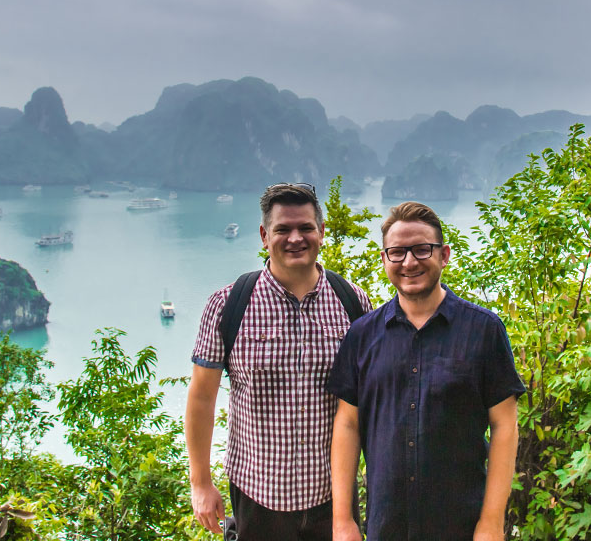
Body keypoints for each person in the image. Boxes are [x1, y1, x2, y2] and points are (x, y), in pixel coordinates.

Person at [328, 201, 526, 541]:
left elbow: (504, 425)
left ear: (444, 255)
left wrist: (491, 523)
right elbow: (347, 424)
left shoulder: (483, 330)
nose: (409, 262)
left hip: (460, 525)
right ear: (384, 259)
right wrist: (343, 520)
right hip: (385, 525)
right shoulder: (362, 335)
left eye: (422, 250)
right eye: (398, 252)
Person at [186, 182, 372, 541]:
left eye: (305, 228)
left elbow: (373, 395)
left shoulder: (352, 302)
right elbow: (202, 396)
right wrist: (201, 482)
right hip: (258, 496)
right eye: (283, 229)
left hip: (333, 495)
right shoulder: (228, 304)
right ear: (263, 235)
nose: (295, 238)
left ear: (321, 232)